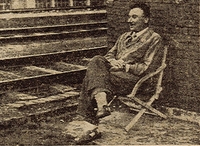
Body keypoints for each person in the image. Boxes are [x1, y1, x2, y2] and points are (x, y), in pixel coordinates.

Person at [76, 2, 163, 123]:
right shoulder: (124, 36)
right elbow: (109, 55)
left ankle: (90, 116)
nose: (129, 20)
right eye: (129, 17)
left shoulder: (154, 38)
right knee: (97, 60)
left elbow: (147, 68)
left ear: (146, 19)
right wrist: (113, 61)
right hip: (116, 74)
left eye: (134, 17)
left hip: (135, 81)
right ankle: (101, 108)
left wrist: (126, 66)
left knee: (94, 76)